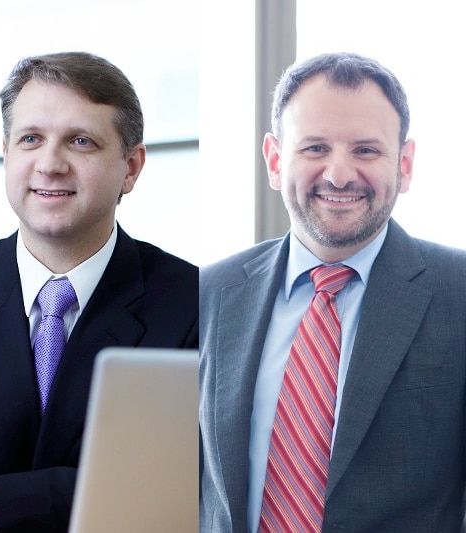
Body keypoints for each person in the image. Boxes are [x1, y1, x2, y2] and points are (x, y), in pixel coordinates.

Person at [199, 51, 466, 532]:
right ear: (276, 160)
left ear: (404, 165)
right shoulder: (208, 293)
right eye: (315, 148)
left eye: (366, 150)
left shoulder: (459, 292)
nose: (339, 174)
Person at [0, 51, 199, 532]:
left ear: (131, 167)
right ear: (7, 153)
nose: (50, 164)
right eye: (31, 139)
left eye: (80, 141)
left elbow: (188, 477)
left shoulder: (197, 304)